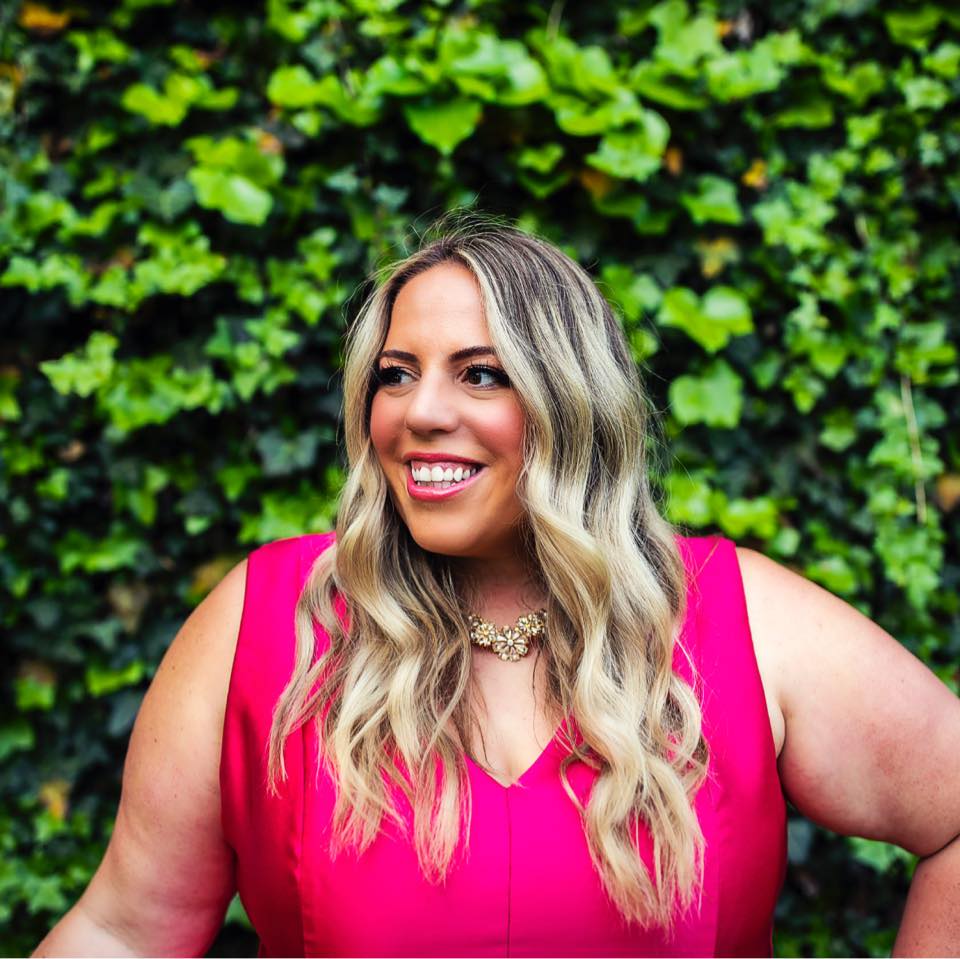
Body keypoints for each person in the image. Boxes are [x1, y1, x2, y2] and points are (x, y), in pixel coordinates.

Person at [33, 215, 960, 958]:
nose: (421, 413)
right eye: (396, 376)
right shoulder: (273, 619)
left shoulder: (738, 618)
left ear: (570, 402)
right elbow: (124, 929)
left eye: (480, 374)